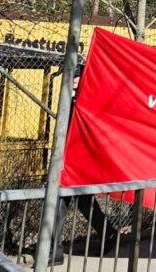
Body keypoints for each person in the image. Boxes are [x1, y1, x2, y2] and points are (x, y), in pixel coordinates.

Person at [51, 64, 118, 265]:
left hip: (80, 162)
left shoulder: (89, 101)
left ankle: (55, 250)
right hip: (67, 160)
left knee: (66, 203)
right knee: (70, 203)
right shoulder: (68, 100)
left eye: (76, 76)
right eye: (69, 75)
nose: (71, 79)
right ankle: (55, 251)